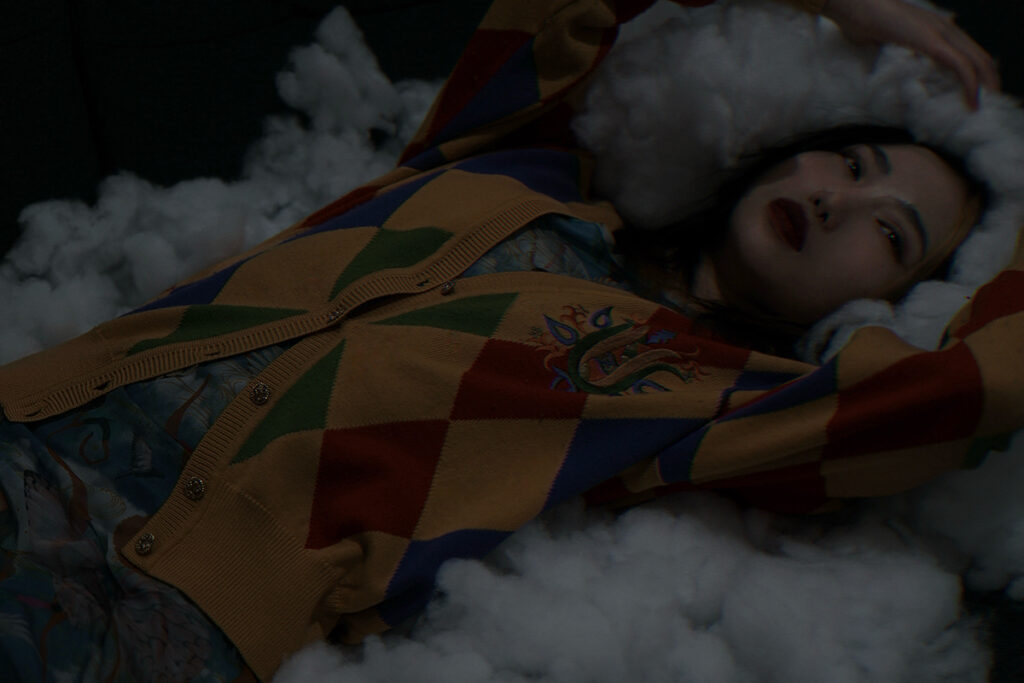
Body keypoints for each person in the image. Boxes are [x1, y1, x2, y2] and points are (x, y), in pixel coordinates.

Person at [0, 0, 1009, 680]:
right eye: (849, 160)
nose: (838, 200)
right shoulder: (520, 158)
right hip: (33, 430)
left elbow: (977, 390)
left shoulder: (725, 395)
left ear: (897, 304)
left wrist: (1008, 173)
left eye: (890, 233)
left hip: (167, 608)